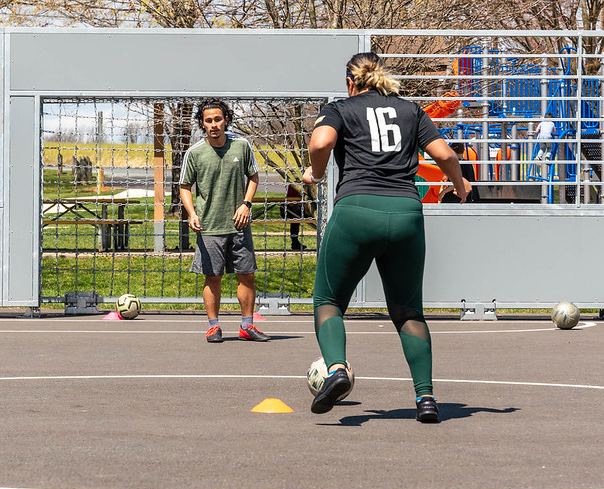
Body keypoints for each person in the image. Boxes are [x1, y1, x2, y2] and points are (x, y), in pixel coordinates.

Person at [302, 52, 467, 422]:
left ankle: (338, 369)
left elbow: (319, 144)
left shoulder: (341, 108)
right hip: (406, 214)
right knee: (409, 311)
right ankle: (425, 399)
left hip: (357, 211)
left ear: (350, 82)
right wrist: (459, 184)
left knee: (328, 300)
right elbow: (445, 154)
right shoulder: (411, 110)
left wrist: (316, 174)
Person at [179, 98, 271, 343]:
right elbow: (184, 186)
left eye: (217, 119)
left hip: (239, 224)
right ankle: (213, 326)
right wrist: (192, 213)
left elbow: (253, 177)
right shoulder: (194, 153)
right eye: (208, 120)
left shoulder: (241, 146)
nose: (213, 124)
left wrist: (246, 204)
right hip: (209, 226)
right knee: (213, 277)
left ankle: (247, 326)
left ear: (226, 120)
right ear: (202, 123)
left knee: (247, 274)